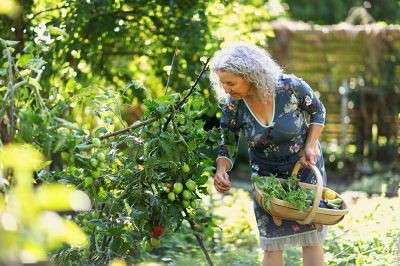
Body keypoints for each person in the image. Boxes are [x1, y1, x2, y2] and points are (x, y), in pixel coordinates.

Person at [209, 41, 327, 266]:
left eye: (230, 82)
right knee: (272, 242)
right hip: (266, 180)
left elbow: (317, 111)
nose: (225, 89)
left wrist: (310, 145)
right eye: (222, 83)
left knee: (311, 238)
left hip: (304, 171)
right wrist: (222, 169)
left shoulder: (290, 87)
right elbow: (228, 142)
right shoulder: (234, 106)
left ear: (250, 75)